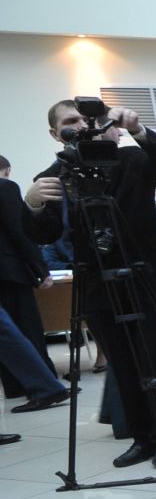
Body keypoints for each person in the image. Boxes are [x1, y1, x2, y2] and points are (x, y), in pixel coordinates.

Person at [24, 102, 156, 468]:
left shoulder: (130, 160)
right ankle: (142, 438)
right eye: (70, 122)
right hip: (99, 281)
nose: (82, 126)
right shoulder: (53, 176)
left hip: (149, 276)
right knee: (123, 364)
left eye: (87, 119)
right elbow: (46, 232)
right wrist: (34, 205)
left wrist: (138, 130)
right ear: (55, 134)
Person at [0, 154, 59, 399]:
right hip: (10, 270)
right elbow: (19, 229)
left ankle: (15, 386)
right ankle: (45, 383)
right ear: (6, 170)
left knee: (6, 337)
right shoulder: (6, 187)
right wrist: (40, 268)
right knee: (26, 329)